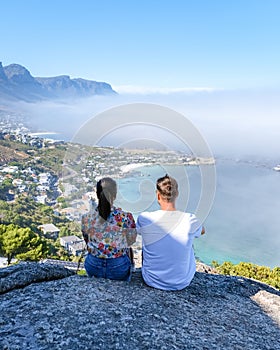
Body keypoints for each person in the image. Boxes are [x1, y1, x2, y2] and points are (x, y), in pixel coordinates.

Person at [136, 174, 205, 291]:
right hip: (182, 282)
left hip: (151, 280)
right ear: (176, 194)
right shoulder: (190, 219)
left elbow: (137, 231)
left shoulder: (145, 218)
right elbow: (202, 231)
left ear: (158, 195)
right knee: (190, 242)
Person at [81, 177, 137, 281]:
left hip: (93, 265)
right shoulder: (125, 217)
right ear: (114, 195)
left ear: (97, 195)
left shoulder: (86, 218)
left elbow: (86, 239)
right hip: (118, 266)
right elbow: (131, 241)